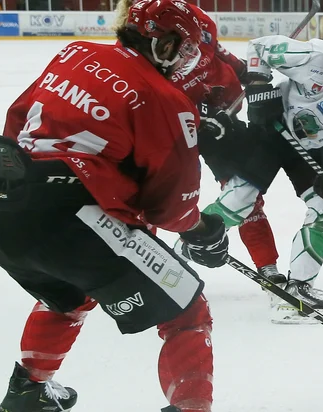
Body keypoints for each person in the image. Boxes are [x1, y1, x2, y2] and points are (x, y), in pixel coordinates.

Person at [0, 0, 249, 412]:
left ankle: (28, 392)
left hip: (4, 214)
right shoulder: (167, 101)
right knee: (187, 309)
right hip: (74, 221)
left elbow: (16, 124)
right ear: (162, 44)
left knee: (69, 291)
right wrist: (203, 233)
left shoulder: (76, 53)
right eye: (182, 51)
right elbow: (172, 207)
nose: (184, 63)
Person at [190, 29, 323, 324]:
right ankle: (185, 247)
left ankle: (298, 289)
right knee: (239, 200)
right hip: (270, 132)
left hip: (313, 145)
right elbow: (260, 46)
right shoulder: (317, 57)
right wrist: (259, 84)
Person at [113, 0, 286, 288]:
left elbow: (220, 53)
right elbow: (148, 100)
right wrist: (201, 117)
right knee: (152, 196)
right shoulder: (141, 43)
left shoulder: (198, 19)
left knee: (245, 191)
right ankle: (147, 269)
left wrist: (248, 73)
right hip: (177, 127)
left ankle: (268, 268)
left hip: (224, 113)